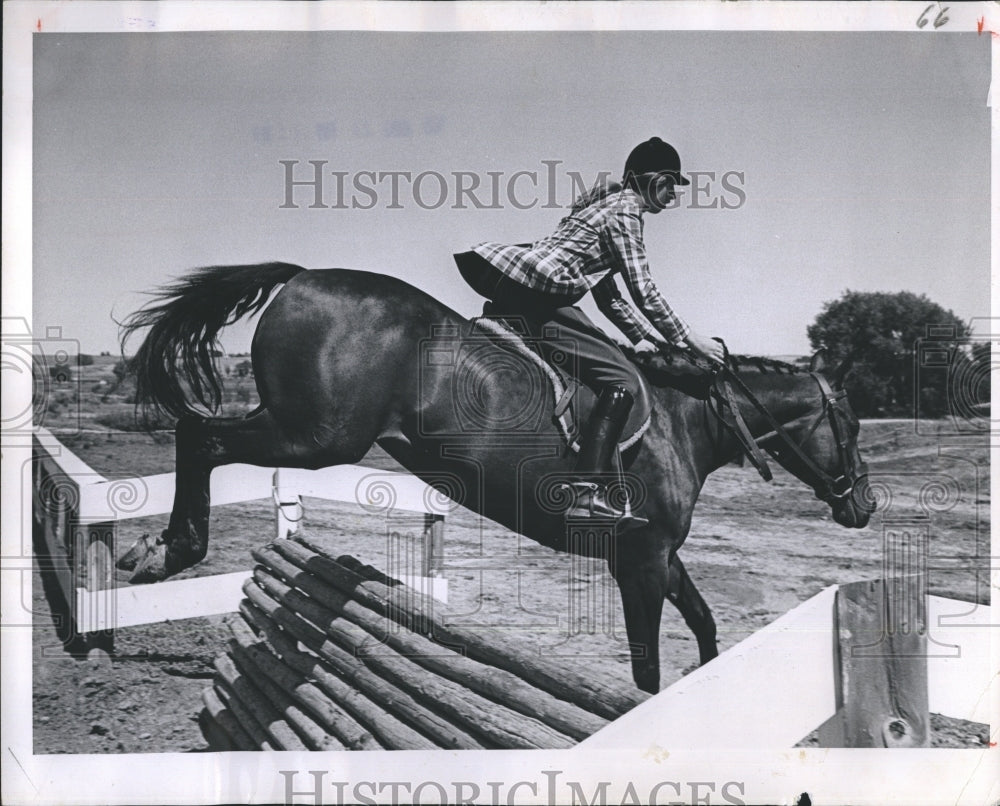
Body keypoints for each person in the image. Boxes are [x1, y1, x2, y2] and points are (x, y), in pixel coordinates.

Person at [455, 137, 725, 530]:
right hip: (536, 296)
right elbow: (643, 289)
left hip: (520, 288)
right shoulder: (627, 212)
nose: (672, 196)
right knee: (622, 379)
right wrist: (689, 339)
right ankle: (585, 494)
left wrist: (645, 337)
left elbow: (608, 297)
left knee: (610, 353)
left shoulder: (606, 207)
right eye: (671, 185)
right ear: (652, 180)